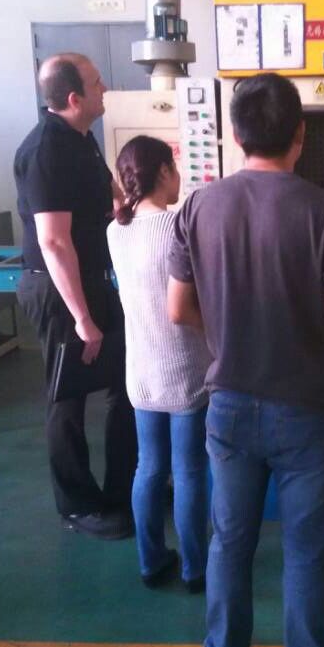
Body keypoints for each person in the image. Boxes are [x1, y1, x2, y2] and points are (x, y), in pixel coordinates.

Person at [167, 72, 324, 647]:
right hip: (304, 406)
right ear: (300, 135)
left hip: (228, 403)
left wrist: (224, 335)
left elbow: (178, 309)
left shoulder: (198, 207)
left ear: (235, 136)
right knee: (306, 549)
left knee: (230, 541)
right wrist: (314, 331)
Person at [14, 52, 137, 539]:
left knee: (125, 382)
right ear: (73, 97)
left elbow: (107, 190)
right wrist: (83, 319)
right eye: (97, 82)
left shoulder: (82, 139)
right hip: (58, 287)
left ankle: (123, 489)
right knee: (67, 397)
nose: (105, 88)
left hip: (93, 278)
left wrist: (130, 205)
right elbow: (53, 242)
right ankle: (78, 506)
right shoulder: (46, 150)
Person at [107, 136, 211, 590]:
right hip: (185, 370)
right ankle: (195, 569)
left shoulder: (115, 231)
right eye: (175, 167)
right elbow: (193, 301)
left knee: (148, 468)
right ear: (164, 172)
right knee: (189, 471)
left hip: (142, 372)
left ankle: (151, 562)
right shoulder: (178, 227)